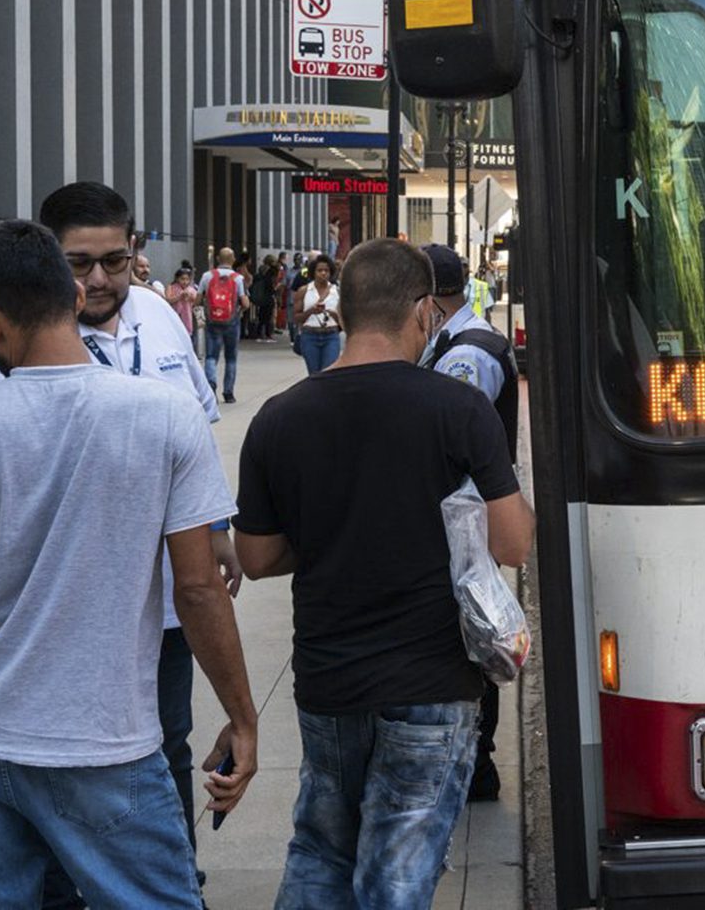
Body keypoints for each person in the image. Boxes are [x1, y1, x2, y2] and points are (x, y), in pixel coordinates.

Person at [0, 220, 257, 906]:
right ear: (73, 297)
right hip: (105, 741)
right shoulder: (164, 418)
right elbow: (198, 590)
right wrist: (242, 716)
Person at [235, 239, 534, 910]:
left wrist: (325, 536)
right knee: (396, 875)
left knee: (319, 849)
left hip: (329, 679)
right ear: (425, 312)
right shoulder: (456, 409)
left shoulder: (279, 417)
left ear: (342, 309)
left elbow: (255, 559)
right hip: (431, 679)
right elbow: (513, 544)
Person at [422, 243, 521, 801]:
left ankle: (477, 763)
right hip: (465, 513)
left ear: (429, 299)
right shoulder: (457, 341)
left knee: (475, 636)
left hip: (468, 517)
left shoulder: (469, 353)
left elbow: (449, 440)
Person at [200, 248, 246, 403]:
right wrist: (239, 309)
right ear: (233, 259)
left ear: (218, 258)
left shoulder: (207, 276)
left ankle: (211, 383)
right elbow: (245, 302)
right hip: (232, 322)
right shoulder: (238, 278)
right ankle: (228, 393)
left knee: (211, 356)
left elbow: (198, 299)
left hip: (212, 321)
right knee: (231, 358)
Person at [296, 255, 343, 374]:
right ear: (313, 272)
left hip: (331, 335)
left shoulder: (336, 291)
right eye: (319, 270)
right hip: (310, 335)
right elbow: (296, 317)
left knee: (328, 373)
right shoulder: (304, 291)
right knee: (314, 374)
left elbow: (343, 320)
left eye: (326, 270)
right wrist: (311, 311)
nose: (323, 273)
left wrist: (334, 314)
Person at [166, 265, 200, 335]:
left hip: (188, 317)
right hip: (174, 315)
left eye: (187, 279)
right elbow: (168, 300)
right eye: (182, 279)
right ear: (177, 279)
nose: (185, 282)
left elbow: (197, 301)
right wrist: (180, 296)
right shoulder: (171, 287)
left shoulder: (191, 289)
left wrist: (191, 297)